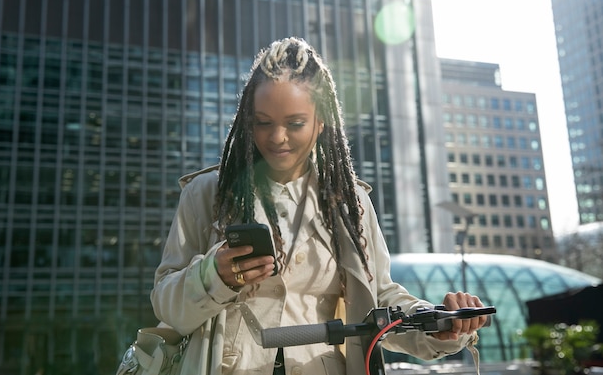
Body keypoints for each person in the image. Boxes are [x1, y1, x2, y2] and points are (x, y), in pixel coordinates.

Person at [150, 37, 488, 375]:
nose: (276, 137)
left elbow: (379, 299)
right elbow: (167, 304)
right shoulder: (206, 193)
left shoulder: (351, 201)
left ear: (321, 121)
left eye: (295, 123)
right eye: (262, 122)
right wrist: (214, 275)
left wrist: (437, 322)